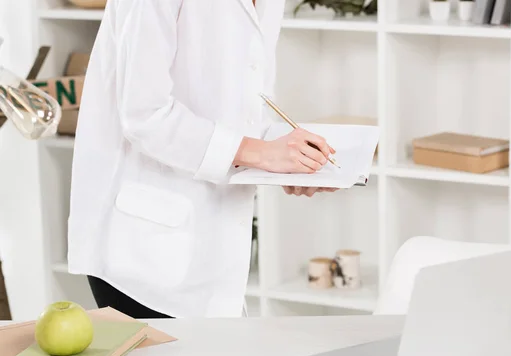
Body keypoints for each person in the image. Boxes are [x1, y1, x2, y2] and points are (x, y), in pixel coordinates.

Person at [68, 0, 336, 319]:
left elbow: (246, 100)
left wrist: (287, 161)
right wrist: (263, 154)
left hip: (217, 249)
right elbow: (145, 115)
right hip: (142, 254)